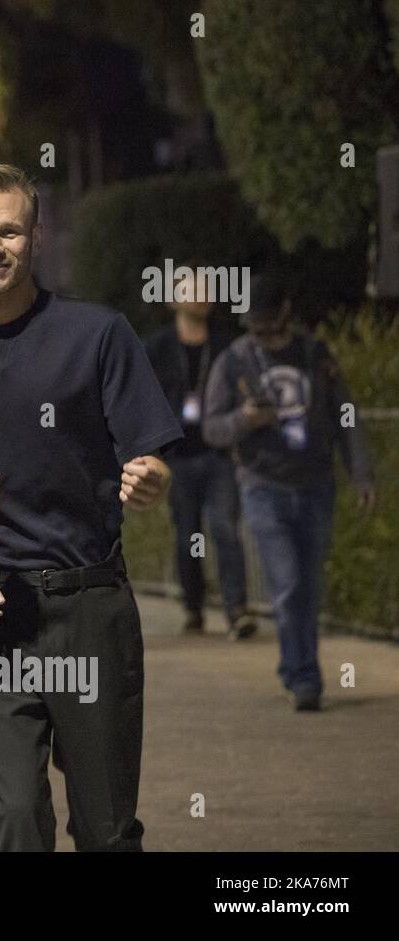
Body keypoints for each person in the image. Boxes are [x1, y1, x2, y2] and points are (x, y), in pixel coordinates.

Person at [0, 164, 182, 852]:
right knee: (17, 816)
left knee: (107, 831)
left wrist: (153, 479)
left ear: (35, 238)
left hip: (90, 610)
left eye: (10, 230)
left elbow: (153, 453)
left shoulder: (98, 334)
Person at [202, 275, 375, 712]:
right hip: (264, 486)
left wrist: (362, 474)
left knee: (308, 586)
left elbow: (346, 416)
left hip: (316, 485)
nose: (260, 335)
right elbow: (211, 427)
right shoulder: (235, 360)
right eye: (253, 327)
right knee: (288, 582)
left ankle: (299, 669)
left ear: (285, 312)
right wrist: (244, 419)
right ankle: (303, 678)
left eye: (266, 325)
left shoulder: (315, 355)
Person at [144, 267, 253, 638]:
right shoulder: (158, 347)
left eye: (206, 289)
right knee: (188, 533)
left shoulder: (226, 345)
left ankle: (237, 608)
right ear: (174, 299)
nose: (201, 296)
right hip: (178, 455)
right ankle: (194, 605)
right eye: (191, 290)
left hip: (219, 452)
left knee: (225, 528)